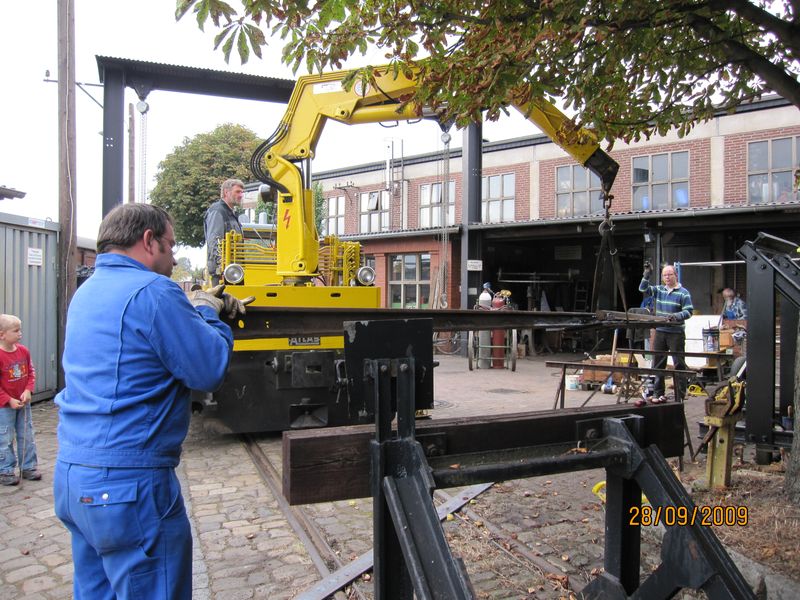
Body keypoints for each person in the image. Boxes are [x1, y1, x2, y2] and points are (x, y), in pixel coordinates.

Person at [54, 204, 251, 599]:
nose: (175, 257)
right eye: (171, 245)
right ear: (148, 241)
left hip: (74, 477)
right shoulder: (153, 291)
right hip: (130, 488)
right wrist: (207, 313)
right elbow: (207, 368)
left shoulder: (86, 293)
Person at [637, 262, 694, 404]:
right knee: (658, 364)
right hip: (661, 332)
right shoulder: (659, 290)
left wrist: (677, 316)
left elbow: (689, 311)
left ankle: (680, 394)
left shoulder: (684, 293)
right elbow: (642, 288)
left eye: (670, 274)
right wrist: (647, 274)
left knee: (678, 364)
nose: (667, 277)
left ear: (676, 275)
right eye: (664, 275)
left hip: (676, 333)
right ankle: (658, 393)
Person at [0, 314, 41, 486]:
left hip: (24, 403)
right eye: (16, 331)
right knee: (4, 437)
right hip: (4, 407)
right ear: (2, 334)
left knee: (27, 434)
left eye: (20, 330)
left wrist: (28, 390)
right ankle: (5, 470)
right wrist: (8, 399)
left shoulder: (23, 351)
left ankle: (28, 466)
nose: (20, 334)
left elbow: (31, 373)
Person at [204, 178, 245, 285]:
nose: (241, 195)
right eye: (237, 192)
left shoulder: (230, 213)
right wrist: (220, 269)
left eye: (242, 192)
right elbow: (215, 241)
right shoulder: (218, 211)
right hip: (224, 273)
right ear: (226, 192)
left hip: (233, 271)